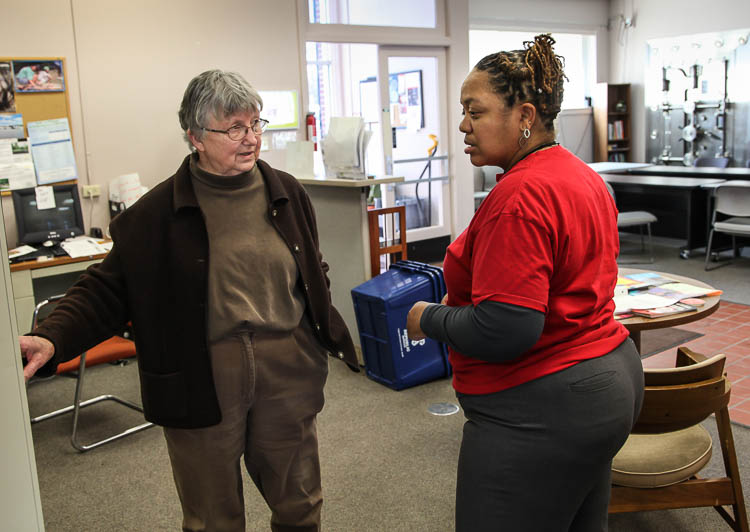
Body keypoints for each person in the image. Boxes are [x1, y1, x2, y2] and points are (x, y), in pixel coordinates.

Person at [20, 69, 359, 532]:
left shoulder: (287, 191)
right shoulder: (155, 214)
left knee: (299, 504)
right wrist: (51, 337)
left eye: (256, 124)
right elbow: (106, 289)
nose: (251, 138)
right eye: (234, 128)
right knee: (212, 518)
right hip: (201, 375)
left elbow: (311, 266)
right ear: (195, 136)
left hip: (287, 370)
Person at [406, 35, 644, 531]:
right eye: (463, 111)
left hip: (541, 406)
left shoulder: (520, 196)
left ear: (525, 116)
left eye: (476, 111)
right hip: (604, 383)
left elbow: (508, 327)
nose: (462, 125)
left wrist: (429, 316)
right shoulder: (581, 176)